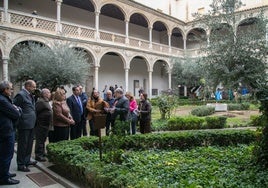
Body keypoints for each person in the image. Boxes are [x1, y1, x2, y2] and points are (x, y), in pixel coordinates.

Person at [13, 80, 37, 172]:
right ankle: (21, 164)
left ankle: (27, 160)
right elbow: (14, 107)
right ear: (27, 86)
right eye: (33, 87)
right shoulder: (21, 95)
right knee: (23, 145)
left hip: (31, 124)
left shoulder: (30, 95)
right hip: (24, 124)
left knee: (29, 144)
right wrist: (21, 117)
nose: (35, 88)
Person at [0, 81, 21, 185]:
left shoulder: (4, 99)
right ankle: (4, 178)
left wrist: (17, 109)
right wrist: (17, 110)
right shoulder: (2, 100)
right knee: (6, 154)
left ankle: (5, 173)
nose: (12, 91)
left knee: (6, 154)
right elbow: (16, 113)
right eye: (11, 89)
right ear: (5, 89)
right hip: (6, 131)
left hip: (7, 129)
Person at [34, 88, 52, 162]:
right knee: (40, 141)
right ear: (45, 94)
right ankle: (38, 155)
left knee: (43, 140)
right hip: (41, 124)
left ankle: (42, 153)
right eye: (49, 93)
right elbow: (36, 112)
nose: (50, 94)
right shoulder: (40, 102)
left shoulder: (45, 101)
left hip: (45, 125)